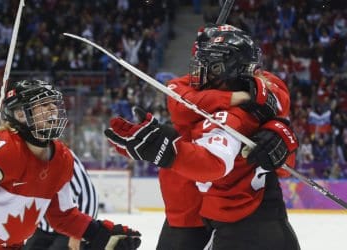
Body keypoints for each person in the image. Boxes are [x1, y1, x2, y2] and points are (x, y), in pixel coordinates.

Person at [105, 24, 300, 250]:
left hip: (229, 212)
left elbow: (279, 98)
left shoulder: (252, 96)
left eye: (206, 64)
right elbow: (180, 104)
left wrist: (280, 130)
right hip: (187, 208)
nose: (197, 70)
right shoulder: (191, 87)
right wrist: (236, 96)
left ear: (226, 68)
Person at [0, 80, 141, 250]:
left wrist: (96, 233)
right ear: (20, 114)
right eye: (43, 104)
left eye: (53, 103)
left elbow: (63, 216)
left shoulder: (62, 159)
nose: (53, 109)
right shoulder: (3, 147)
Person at [23, 150, 99, 250]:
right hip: (42, 228)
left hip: (69, 228)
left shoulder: (63, 156)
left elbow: (88, 195)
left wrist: (78, 233)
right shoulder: (24, 155)